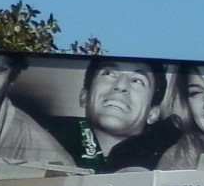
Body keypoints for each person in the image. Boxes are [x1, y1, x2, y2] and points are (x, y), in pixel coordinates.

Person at [50, 58, 181, 171]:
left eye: (137, 81)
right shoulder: (43, 138)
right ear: (84, 96)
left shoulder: (173, 159)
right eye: (109, 74)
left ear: (153, 113)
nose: (121, 85)